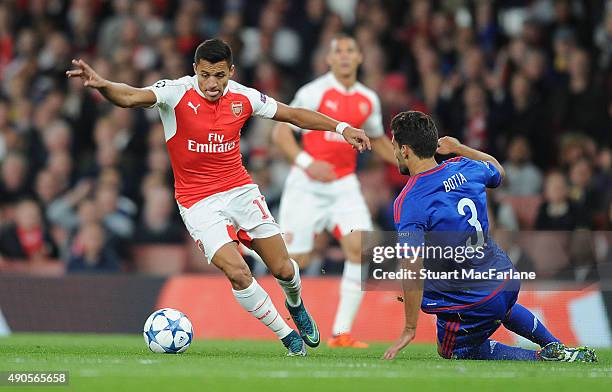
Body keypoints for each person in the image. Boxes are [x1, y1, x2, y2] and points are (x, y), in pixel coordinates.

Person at [67, 38, 371, 356]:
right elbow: (131, 96)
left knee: (284, 268)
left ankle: (295, 304)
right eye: (206, 75)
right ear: (195, 69)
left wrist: (341, 127)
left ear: (231, 72)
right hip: (198, 201)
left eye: (220, 75)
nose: (212, 83)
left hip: (240, 190)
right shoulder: (175, 92)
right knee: (238, 272)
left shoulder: (244, 96)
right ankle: (286, 336)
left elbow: (292, 115)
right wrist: (103, 85)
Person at [382, 111, 596, 362]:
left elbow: (412, 267)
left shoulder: (410, 201)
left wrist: (409, 328)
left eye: (395, 146)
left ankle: (543, 359)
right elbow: (498, 170)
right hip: (505, 278)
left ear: (405, 150)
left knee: (451, 350)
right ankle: (557, 346)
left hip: (473, 296)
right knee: (498, 305)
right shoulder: (464, 166)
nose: (394, 152)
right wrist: (461, 148)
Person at [272, 34, 396, 348]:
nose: (343, 56)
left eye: (350, 51)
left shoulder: (368, 99)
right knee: (293, 262)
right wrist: (306, 162)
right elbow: (281, 130)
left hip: (343, 184)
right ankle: (294, 309)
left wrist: (409, 162)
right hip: (306, 184)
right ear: (328, 60)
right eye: (337, 51)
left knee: (359, 246)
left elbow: (378, 139)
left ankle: (341, 333)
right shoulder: (313, 92)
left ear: (359, 58)